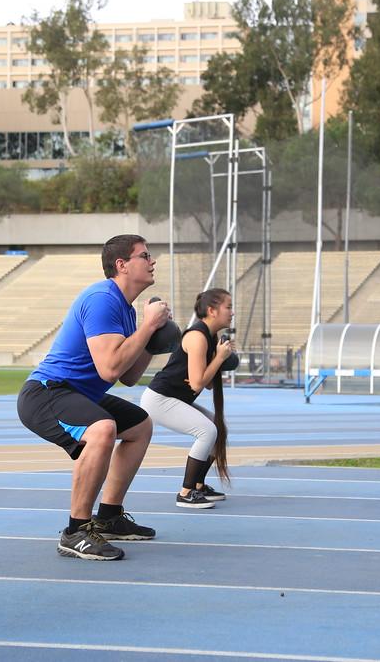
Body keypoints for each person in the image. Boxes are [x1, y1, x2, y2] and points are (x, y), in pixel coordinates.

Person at [17, 234, 169, 560]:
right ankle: (75, 531)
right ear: (122, 265)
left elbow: (128, 376)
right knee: (102, 429)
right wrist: (148, 327)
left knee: (139, 425)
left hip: (78, 393)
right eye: (145, 255)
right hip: (47, 392)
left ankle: (109, 517)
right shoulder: (103, 298)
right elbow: (110, 368)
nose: (152, 261)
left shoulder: (125, 310)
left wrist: (151, 340)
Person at [140, 288, 235, 509]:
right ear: (212, 310)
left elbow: (209, 384)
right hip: (159, 399)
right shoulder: (196, 337)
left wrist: (220, 359)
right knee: (207, 431)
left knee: (217, 427)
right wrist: (219, 357)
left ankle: (199, 485)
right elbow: (197, 383)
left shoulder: (210, 338)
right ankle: (186, 492)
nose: (232, 312)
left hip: (175, 398)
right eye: (228, 307)